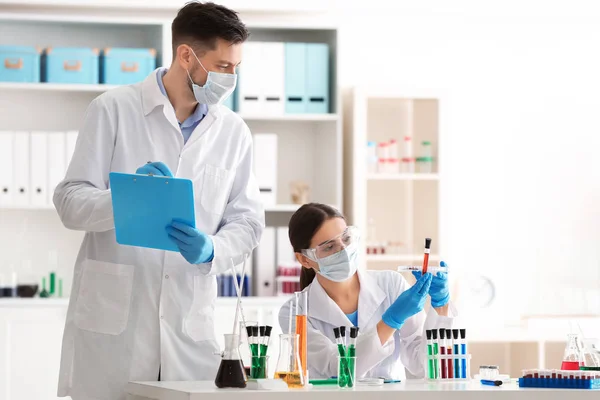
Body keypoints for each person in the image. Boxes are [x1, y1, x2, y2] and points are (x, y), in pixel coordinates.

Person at [53, 3, 264, 400]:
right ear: (186, 55)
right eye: (223, 66)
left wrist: (211, 249)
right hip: (115, 329)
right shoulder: (113, 109)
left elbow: (249, 222)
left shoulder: (233, 132)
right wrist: (126, 199)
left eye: (235, 67)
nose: (231, 78)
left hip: (189, 328)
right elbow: (69, 201)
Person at [278, 203, 457, 380]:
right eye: (329, 247)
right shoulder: (295, 311)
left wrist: (441, 305)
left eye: (346, 238)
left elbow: (422, 366)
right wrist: (391, 321)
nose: (344, 250)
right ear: (304, 259)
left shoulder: (391, 284)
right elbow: (339, 368)